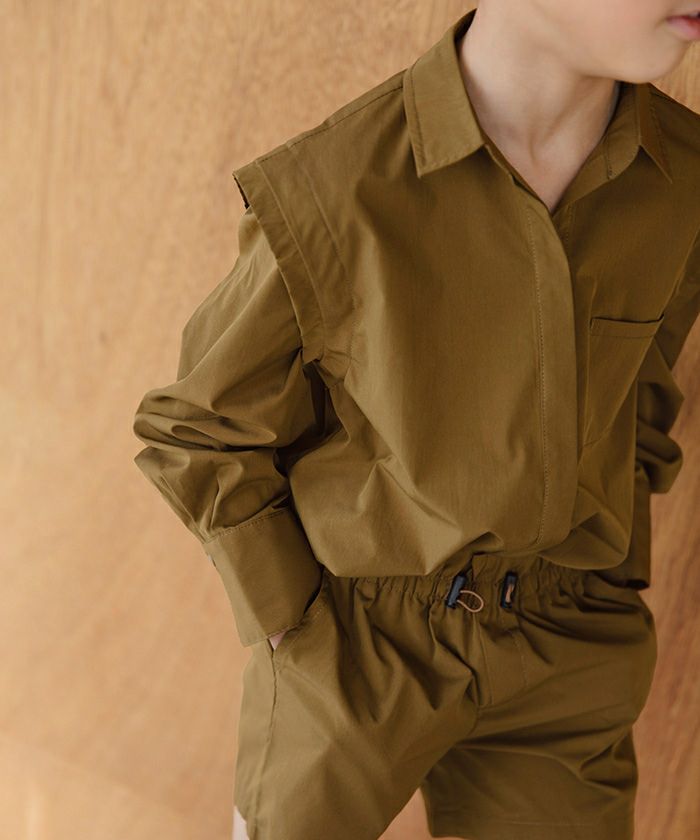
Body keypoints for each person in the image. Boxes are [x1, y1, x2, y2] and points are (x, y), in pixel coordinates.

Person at [131, 2, 700, 838]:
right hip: (358, 645)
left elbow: (642, 396)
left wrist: (613, 577)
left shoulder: (683, 183)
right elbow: (198, 427)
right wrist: (293, 624)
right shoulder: (339, 184)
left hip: (568, 640)